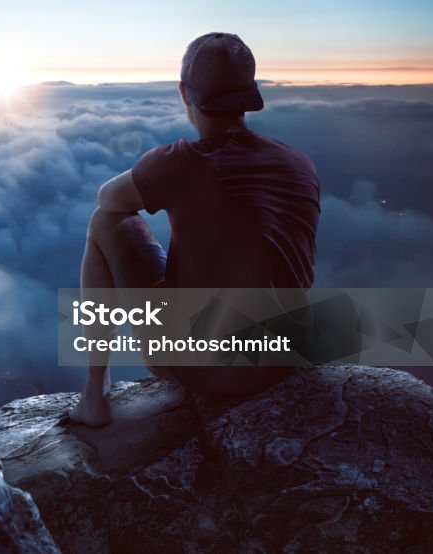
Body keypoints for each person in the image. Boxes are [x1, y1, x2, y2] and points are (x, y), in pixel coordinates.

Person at [69, 32, 321, 426]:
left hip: (211, 370)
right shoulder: (299, 163)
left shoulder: (179, 161)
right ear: (249, 96)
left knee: (103, 222)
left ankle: (95, 395)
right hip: (285, 358)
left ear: (185, 94)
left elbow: (108, 199)